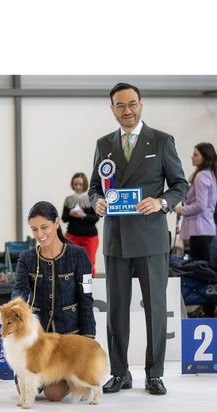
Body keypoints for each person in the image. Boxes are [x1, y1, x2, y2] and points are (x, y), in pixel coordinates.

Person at [88, 83, 189, 395]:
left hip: (150, 239)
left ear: (141, 105)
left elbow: (180, 185)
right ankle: (119, 373)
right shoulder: (104, 144)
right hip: (116, 239)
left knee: (155, 308)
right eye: (120, 106)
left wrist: (161, 203)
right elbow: (94, 187)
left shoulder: (161, 140)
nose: (127, 111)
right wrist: (97, 202)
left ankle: (154, 373)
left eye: (132, 104)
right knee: (116, 310)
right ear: (112, 109)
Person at [11, 201, 96, 401]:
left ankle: (76, 379)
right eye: (34, 229)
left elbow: (86, 300)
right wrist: (16, 304)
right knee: (21, 390)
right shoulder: (26, 258)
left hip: (65, 343)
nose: (39, 234)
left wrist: (88, 342)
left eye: (44, 227)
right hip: (37, 342)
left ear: (56, 223)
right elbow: (21, 288)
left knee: (54, 394)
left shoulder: (78, 255)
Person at [175, 143, 217, 317]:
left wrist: (180, 210)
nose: (192, 157)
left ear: (204, 158)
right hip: (205, 230)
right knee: (207, 271)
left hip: (199, 231)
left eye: (196, 155)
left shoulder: (201, 177)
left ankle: (208, 311)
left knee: (204, 274)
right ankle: (208, 309)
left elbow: (200, 205)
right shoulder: (210, 175)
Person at [62, 173, 100, 277]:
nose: (78, 187)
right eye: (75, 184)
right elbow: (63, 218)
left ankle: (90, 286)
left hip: (90, 236)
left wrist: (84, 215)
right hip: (72, 236)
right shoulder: (69, 200)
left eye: (80, 184)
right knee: (71, 263)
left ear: (85, 184)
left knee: (89, 262)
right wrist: (70, 214)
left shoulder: (91, 198)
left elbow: (96, 218)